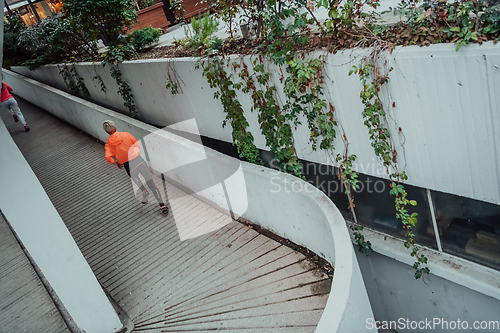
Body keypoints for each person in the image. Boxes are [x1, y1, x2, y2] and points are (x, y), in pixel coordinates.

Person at [103, 120, 169, 214]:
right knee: (152, 184)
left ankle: (144, 191)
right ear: (115, 127)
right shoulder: (126, 134)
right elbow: (137, 145)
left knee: (137, 180)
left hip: (128, 166)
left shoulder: (109, 145)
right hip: (138, 161)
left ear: (107, 132)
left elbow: (107, 157)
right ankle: (163, 206)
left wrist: (115, 162)